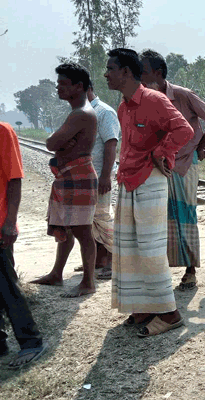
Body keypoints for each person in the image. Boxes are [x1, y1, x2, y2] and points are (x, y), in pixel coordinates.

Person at [105, 48, 191, 337]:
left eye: (111, 69)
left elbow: (184, 130)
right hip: (128, 181)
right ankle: (143, 307)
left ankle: (170, 314)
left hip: (150, 181)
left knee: (152, 250)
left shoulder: (155, 100)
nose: (106, 74)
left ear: (126, 73)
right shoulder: (122, 107)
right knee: (129, 247)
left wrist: (162, 151)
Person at [140, 49, 205, 290]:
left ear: (157, 73)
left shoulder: (183, 96)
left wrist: (199, 146)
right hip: (154, 167)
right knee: (158, 219)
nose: (140, 78)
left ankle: (190, 270)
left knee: (185, 216)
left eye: (143, 72)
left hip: (183, 165)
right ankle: (160, 271)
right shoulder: (143, 99)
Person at [30, 63, 99, 298]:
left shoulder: (81, 114)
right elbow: (55, 142)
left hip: (77, 177)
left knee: (82, 230)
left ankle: (89, 281)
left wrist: (58, 141)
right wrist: (59, 142)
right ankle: (57, 274)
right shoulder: (77, 112)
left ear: (79, 86)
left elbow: (50, 143)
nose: (58, 88)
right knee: (67, 228)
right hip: (69, 176)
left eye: (63, 83)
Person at [0, 122, 46, 368]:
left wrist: (9, 222)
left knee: (7, 286)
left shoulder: (3, 132)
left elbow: (15, 179)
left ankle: (31, 341)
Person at [82, 81, 119, 280]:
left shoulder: (104, 112)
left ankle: (115, 261)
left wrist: (105, 176)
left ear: (85, 87)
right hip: (86, 175)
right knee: (90, 220)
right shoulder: (83, 112)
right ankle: (98, 260)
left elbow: (111, 144)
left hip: (99, 174)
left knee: (104, 218)